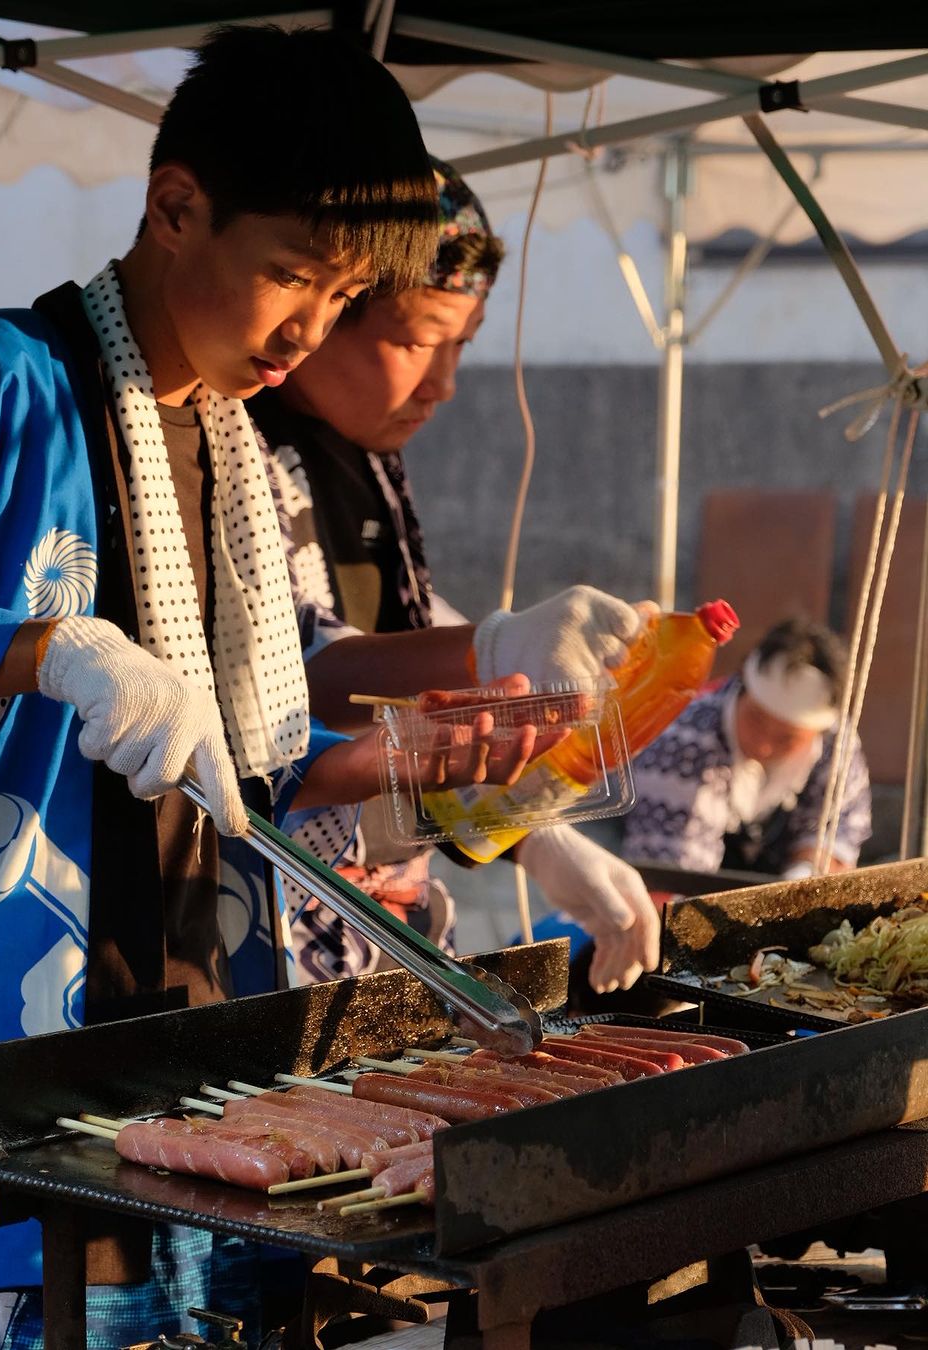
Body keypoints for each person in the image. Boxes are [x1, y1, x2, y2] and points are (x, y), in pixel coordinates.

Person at [0, 25, 443, 1349]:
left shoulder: (237, 456)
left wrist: (392, 775)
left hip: (207, 1083)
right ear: (176, 206)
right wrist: (43, 647)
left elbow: (232, 767)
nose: (309, 330)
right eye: (291, 274)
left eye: (342, 300)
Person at [251, 159, 661, 996]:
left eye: (461, 345)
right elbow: (300, 665)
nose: (442, 384)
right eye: (413, 342)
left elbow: (407, 632)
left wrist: (540, 831)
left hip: (384, 931)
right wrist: (495, 645)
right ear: (328, 304)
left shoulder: (368, 462)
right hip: (275, 935)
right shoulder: (238, 450)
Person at [621, 617, 872, 878]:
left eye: (787, 739)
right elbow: (675, 877)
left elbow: (837, 835)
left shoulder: (834, 745)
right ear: (742, 689)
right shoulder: (684, 739)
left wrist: (803, 877)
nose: (764, 746)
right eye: (756, 720)